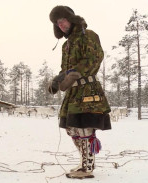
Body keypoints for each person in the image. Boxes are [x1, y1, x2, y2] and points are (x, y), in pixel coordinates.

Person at [48, 6, 111, 179]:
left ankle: (87, 166)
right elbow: (65, 70)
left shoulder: (88, 35)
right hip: (74, 93)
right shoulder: (66, 45)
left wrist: (74, 73)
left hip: (88, 88)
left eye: (62, 20)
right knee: (72, 128)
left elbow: (95, 58)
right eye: (57, 23)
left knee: (84, 128)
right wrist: (57, 80)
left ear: (71, 18)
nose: (61, 25)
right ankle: (84, 161)